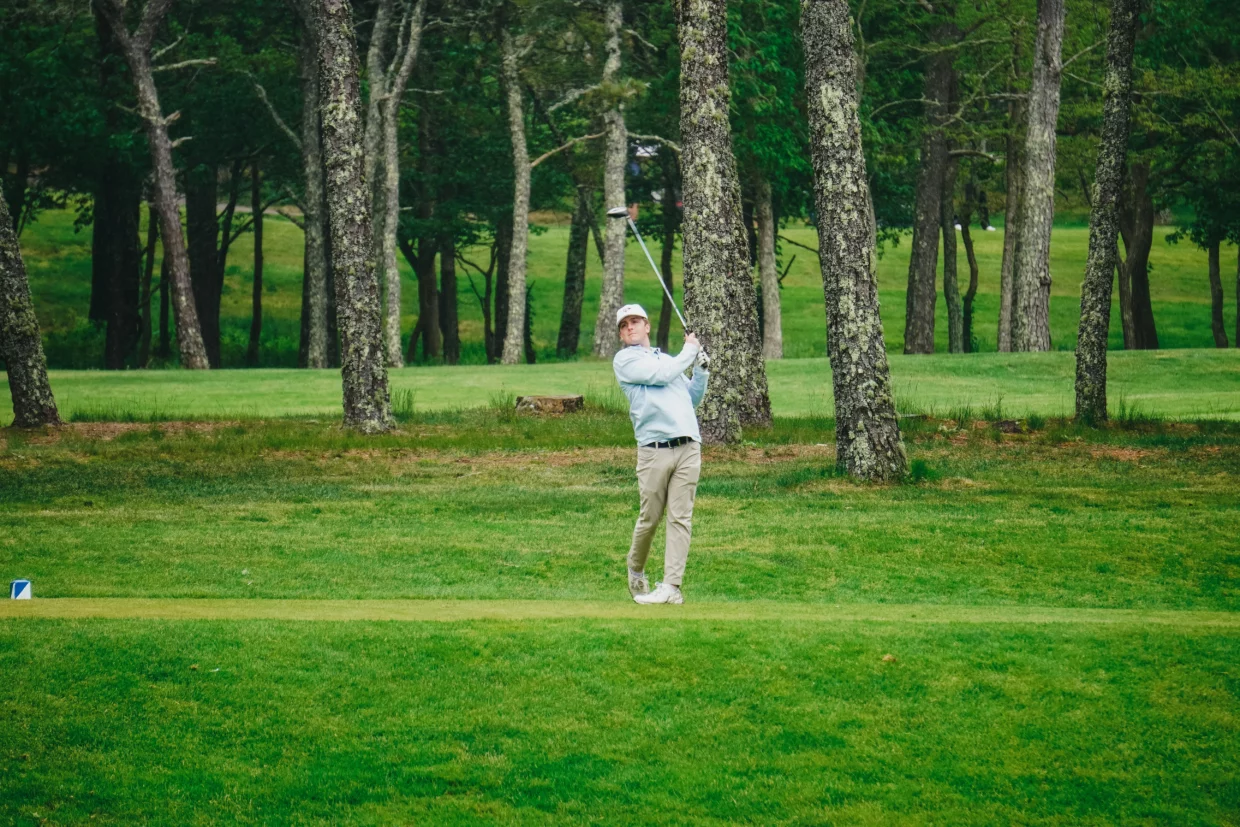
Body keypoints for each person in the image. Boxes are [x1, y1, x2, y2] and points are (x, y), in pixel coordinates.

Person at [612, 303, 710, 605]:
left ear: (647, 326)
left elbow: (691, 397)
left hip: (688, 446)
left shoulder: (668, 360)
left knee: (680, 518)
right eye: (624, 324)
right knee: (650, 518)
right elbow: (662, 375)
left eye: (635, 321)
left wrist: (701, 371)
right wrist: (689, 351)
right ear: (621, 334)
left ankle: (672, 586)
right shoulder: (625, 361)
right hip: (654, 450)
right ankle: (635, 567)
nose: (630, 327)